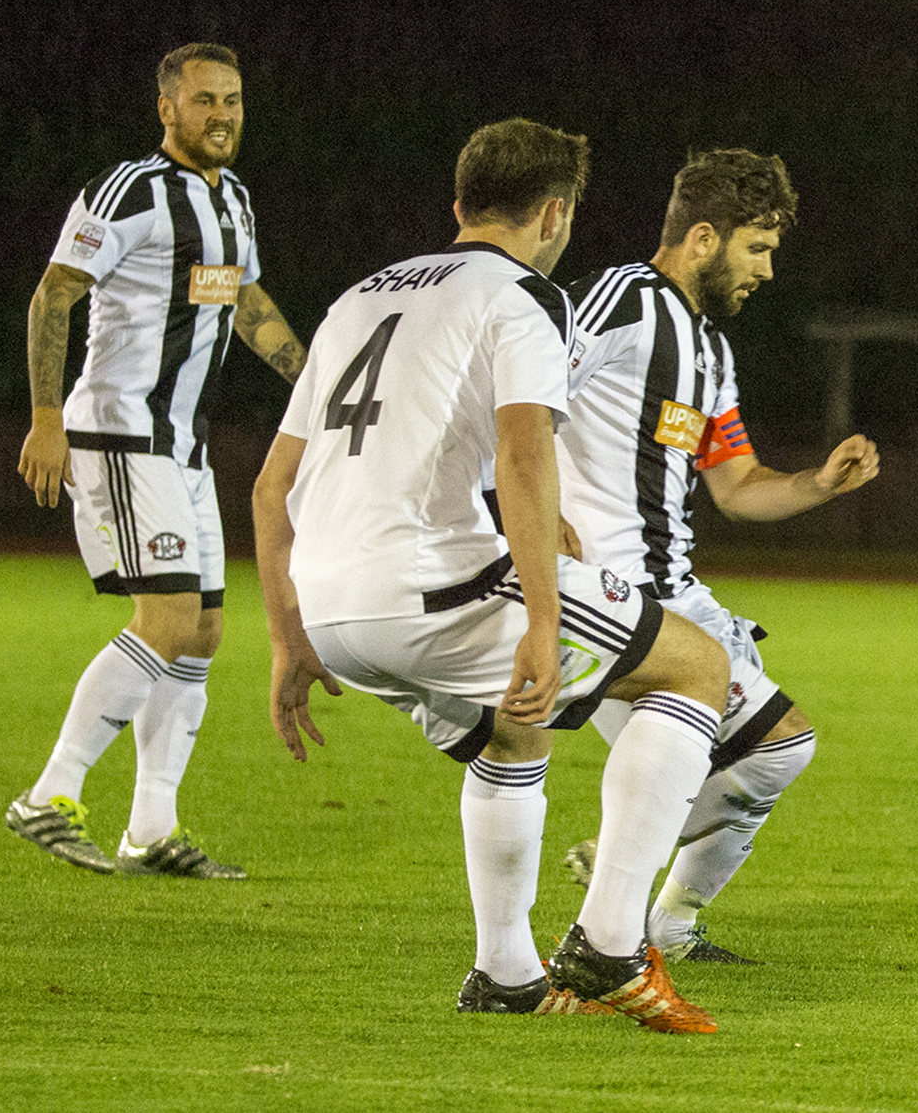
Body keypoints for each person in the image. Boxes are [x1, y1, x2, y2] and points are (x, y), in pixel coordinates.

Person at [253, 118, 729, 1033]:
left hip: (335, 614)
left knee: (513, 737)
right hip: (432, 587)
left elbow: (272, 488)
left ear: (460, 204)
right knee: (695, 669)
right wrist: (545, 622)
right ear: (554, 213)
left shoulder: (356, 298)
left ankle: (505, 973)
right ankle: (612, 944)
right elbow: (522, 451)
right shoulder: (524, 295)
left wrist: (288, 638)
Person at [551, 148, 879, 963]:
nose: (767, 271)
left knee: (778, 750)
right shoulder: (621, 300)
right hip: (608, 593)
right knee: (770, 748)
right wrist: (532, 509)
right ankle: (629, 892)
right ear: (703, 237)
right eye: (757, 248)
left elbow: (736, 484)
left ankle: (660, 919)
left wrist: (817, 484)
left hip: (676, 592)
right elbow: (524, 392)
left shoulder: (709, 353)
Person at [8, 43, 306, 879]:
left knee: (204, 633)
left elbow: (244, 302)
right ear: (167, 109)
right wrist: (43, 418)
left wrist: (311, 380)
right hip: (118, 433)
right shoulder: (130, 190)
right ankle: (49, 795)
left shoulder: (236, 200)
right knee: (169, 619)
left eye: (234, 101)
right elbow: (54, 292)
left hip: (184, 447)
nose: (222, 116)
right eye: (205, 101)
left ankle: (152, 831)